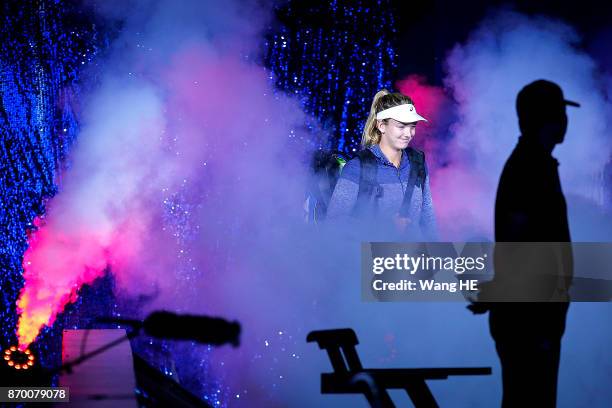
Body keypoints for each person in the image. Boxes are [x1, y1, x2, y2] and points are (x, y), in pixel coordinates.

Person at [486, 79, 578, 407]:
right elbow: (517, 236)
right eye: (561, 114)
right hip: (531, 316)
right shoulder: (531, 166)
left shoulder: (533, 163)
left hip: (532, 313)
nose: (566, 122)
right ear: (548, 117)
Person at [326, 89, 437, 240]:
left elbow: (427, 215)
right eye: (401, 126)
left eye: (412, 126)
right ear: (381, 126)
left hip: (414, 259)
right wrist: (383, 227)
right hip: (371, 260)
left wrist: (438, 256)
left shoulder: (418, 162)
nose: (408, 133)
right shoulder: (358, 167)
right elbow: (334, 222)